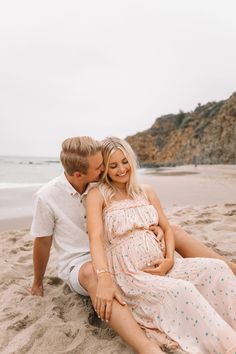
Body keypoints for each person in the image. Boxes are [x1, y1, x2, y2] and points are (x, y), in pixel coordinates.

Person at [86, 136, 236, 354]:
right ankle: (227, 346)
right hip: (132, 274)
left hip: (165, 266)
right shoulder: (97, 195)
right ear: (105, 169)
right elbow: (96, 238)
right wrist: (104, 277)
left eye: (125, 161)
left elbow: (166, 228)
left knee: (217, 269)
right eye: (113, 165)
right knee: (182, 290)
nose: (121, 169)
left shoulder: (146, 190)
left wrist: (169, 260)